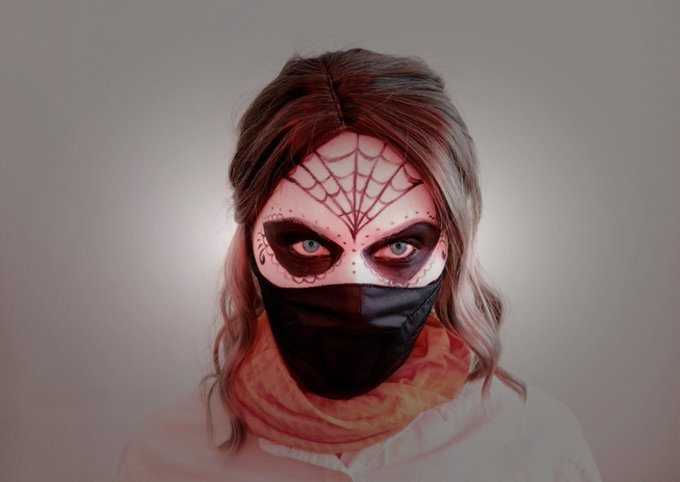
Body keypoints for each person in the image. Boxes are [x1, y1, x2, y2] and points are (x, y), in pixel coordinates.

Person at [117, 48, 602, 481]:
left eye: (400, 247)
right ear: (248, 238)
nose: (355, 295)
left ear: (451, 246)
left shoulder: (534, 448)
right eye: (307, 244)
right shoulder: (168, 455)